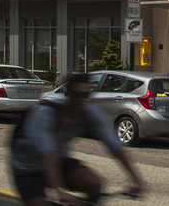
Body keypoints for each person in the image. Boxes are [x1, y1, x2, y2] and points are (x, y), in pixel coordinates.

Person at [10, 73, 145, 204]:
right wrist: (60, 192)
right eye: (76, 95)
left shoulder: (90, 113)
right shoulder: (44, 114)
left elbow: (115, 147)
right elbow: (47, 155)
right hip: (27, 168)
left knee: (92, 183)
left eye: (85, 95)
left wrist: (137, 180)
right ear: (67, 94)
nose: (80, 100)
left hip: (58, 161)